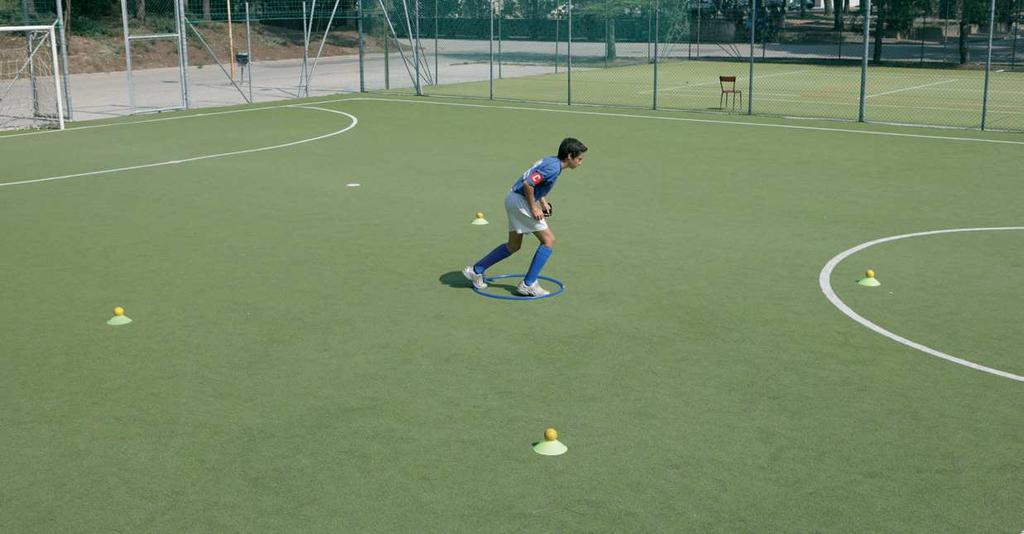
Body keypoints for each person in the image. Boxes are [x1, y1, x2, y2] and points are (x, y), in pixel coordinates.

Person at [463, 137, 588, 297]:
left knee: (513, 245)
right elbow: (528, 184)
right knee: (549, 241)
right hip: (521, 201)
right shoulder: (553, 168)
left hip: (513, 198)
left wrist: (542, 201)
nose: (580, 162)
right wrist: (533, 207)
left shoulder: (552, 161)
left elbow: (536, 182)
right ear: (569, 156)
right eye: (579, 158)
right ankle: (528, 284)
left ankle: (476, 270)